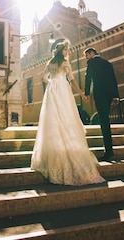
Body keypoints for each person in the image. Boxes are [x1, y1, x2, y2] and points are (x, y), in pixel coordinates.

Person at [30, 40, 105, 186]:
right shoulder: (65, 63)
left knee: (53, 118)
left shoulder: (50, 63)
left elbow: (43, 77)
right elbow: (72, 80)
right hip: (63, 89)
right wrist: (81, 94)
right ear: (61, 51)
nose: (67, 52)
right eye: (66, 50)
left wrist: (51, 82)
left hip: (52, 90)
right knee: (66, 115)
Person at [83, 47, 119, 161]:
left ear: (91, 53)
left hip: (99, 95)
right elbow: (113, 79)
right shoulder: (107, 63)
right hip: (109, 95)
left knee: (104, 120)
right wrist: (115, 95)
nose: (86, 58)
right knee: (105, 119)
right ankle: (109, 149)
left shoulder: (91, 63)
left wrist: (87, 93)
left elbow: (88, 78)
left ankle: (108, 151)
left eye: (86, 56)